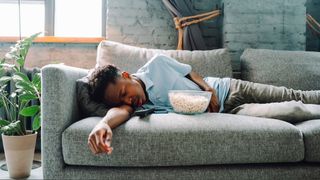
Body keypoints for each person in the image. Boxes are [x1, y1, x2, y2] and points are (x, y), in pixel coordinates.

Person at [87, 54, 320, 155]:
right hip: (233, 113)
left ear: (126, 76)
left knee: (293, 94)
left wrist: (208, 89)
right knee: (294, 109)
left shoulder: (156, 64)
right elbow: (120, 111)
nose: (129, 99)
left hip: (228, 89)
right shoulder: (136, 107)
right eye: (123, 100)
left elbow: (189, 72)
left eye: (125, 92)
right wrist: (104, 125)